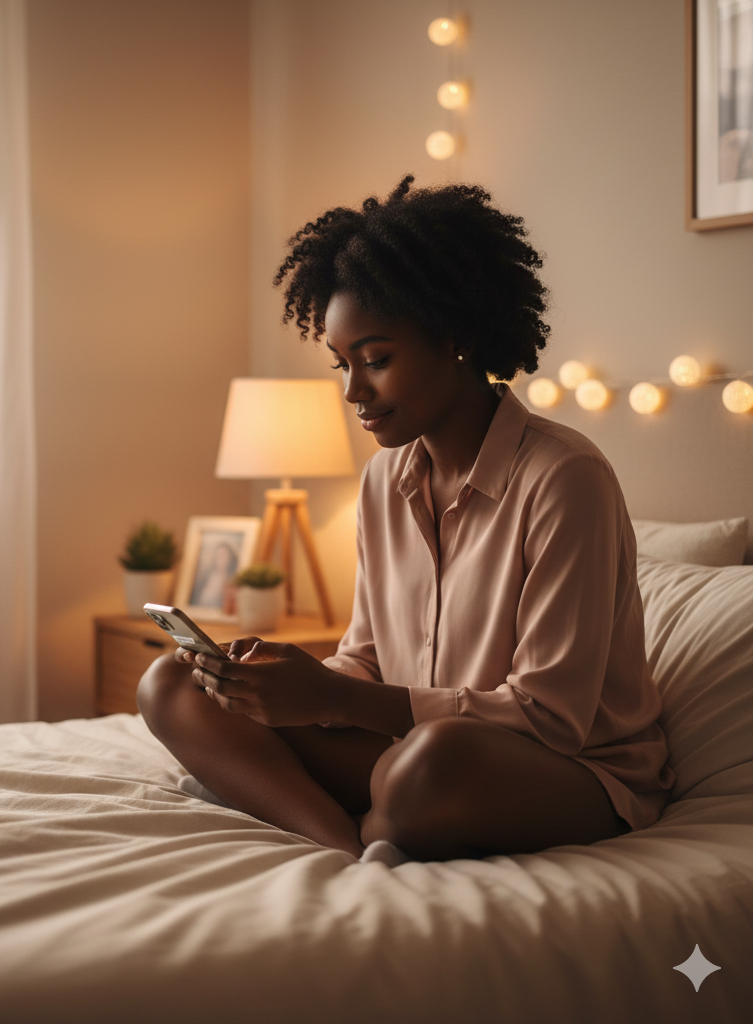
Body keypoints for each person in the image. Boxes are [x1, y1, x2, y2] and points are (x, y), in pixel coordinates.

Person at [137, 175, 674, 862]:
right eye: (341, 364)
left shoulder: (566, 479)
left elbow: (550, 718)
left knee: (428, 763)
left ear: (456, 338)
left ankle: (336, 806)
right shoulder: (382, 481)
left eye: (376, 360)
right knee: (174, 683)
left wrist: (339, 700)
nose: (353, 391)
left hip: (568, 774)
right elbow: (367, 659)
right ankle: (346, 843)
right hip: (410, 753)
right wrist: (291, 686)